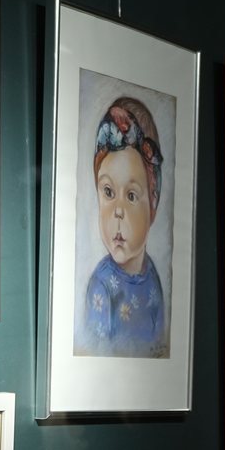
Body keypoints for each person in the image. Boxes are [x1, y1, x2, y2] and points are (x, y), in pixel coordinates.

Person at [75, 97, 168, 357]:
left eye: (131, 195)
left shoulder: (154, 279)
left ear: (153, 204)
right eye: (108, 191)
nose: (117, 210)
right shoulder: (102, 287)